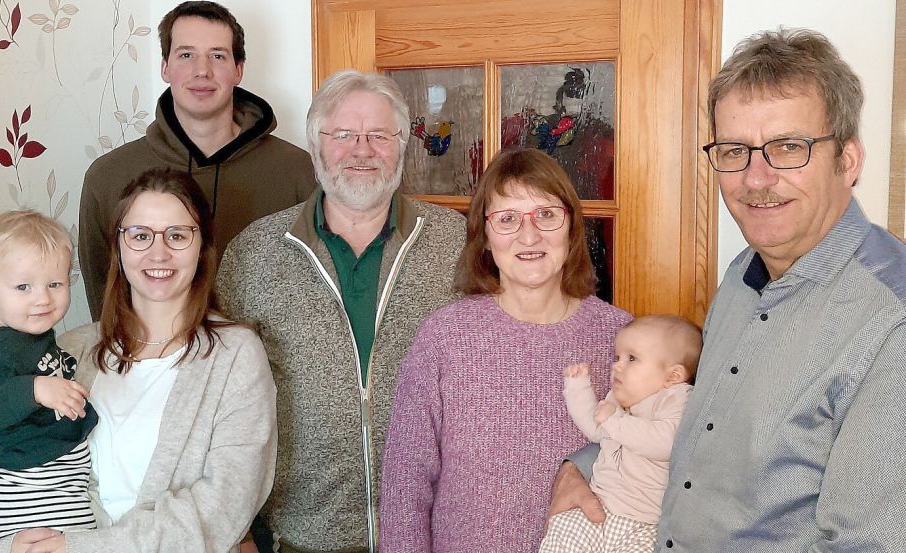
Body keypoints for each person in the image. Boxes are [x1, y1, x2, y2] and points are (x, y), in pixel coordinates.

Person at [551, 28, 906, 551]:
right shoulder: (745, 272)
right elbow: (694, 424)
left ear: (847, 161)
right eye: (735, 150)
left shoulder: (890, 322)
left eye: (789, 147)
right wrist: (578, 467)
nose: (756, 179)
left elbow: (866, 543)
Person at [0, 168, 278, 553]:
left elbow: (224, 506)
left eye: (177, 235)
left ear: (203, 246)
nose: (159, 253)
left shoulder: (234, 355)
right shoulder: (71, 350)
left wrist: (81, 547)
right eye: (140, 236)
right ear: (119, 248)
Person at [216, 70, 466, 553]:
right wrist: (239, 532)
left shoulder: (457, 242)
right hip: (300, 536)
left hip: (437, 530)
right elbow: (220, 404)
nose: (362, 149)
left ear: (401, 145)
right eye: (344, 135)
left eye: (379, 135)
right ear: (315, 148)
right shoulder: (253, 253)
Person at [378, 148, 631, 552]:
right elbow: (405, 482)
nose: (528, 236)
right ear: (485, 236)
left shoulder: (620, 337)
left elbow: (655, 456)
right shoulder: (445, 337)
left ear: (572, 227)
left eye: (546, 215)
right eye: (507, 218)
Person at [79, 0, 315, 320]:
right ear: (165, 67)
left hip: (268, 366)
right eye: (186, 55)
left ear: (238, 70)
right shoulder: (107, 177)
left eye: (217, 56)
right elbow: (104, 303)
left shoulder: (298, 171)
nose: (201, 70)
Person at [0, 210, 98, 539]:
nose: (42, 298)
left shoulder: (34, 337)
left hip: (59, 476)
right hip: (25, 486)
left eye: (55, 283)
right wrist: (34, 390)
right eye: (23, 286)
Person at [540, 315, 700, 553]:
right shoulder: (618, 400)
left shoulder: (675, 398)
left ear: (673, 376)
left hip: (644, 524)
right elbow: (596, 429)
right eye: (618, 358)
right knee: (563, 527)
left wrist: (616, 420)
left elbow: (666, 442)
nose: (617, 365)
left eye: (631, 358)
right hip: (598, 511)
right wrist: (578, 389)